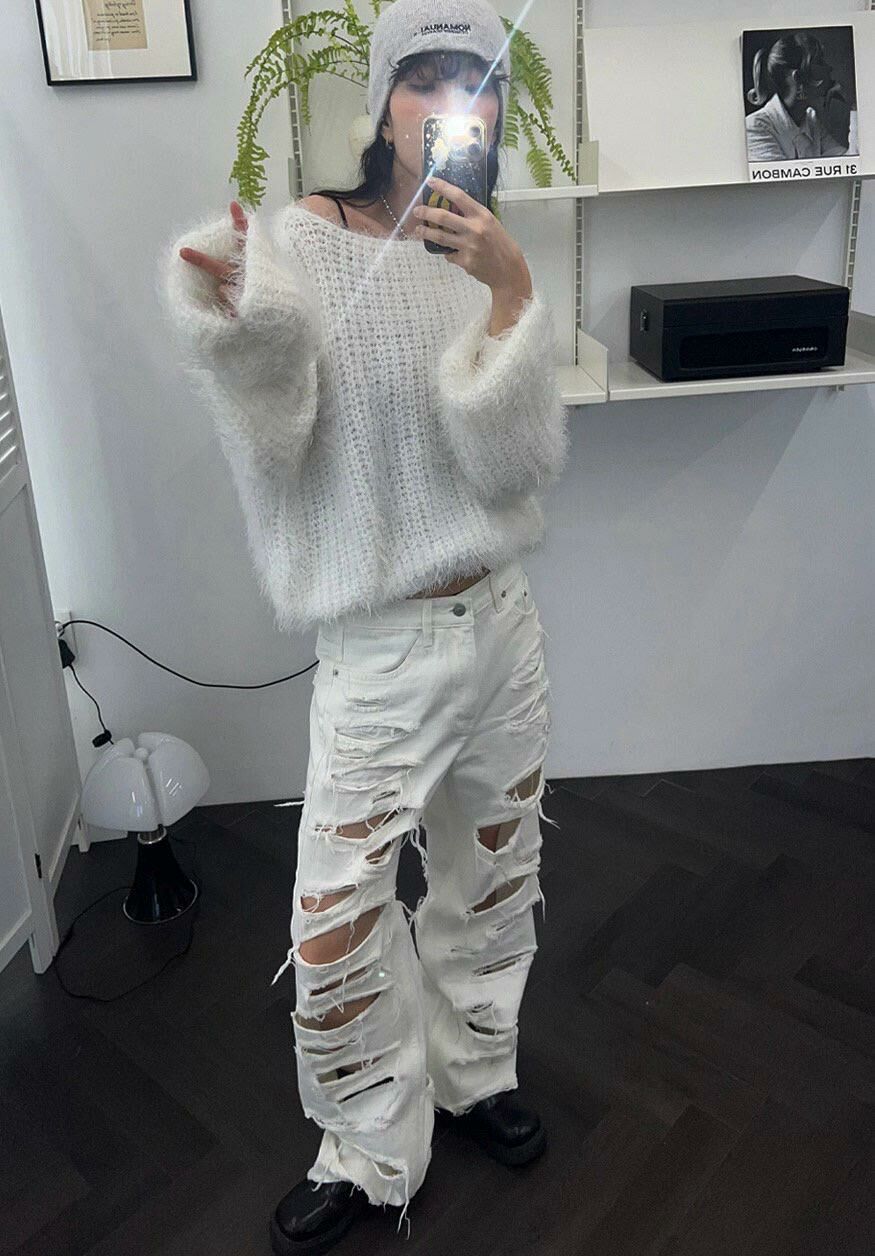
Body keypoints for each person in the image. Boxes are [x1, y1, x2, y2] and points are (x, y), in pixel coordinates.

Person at [160, 0, 569, 1251]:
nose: (449, 103)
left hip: (498, 623)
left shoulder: (482, 258)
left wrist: (510, 295)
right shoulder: (308, 238)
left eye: (472, 82)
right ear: (381, 105)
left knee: (492, 876)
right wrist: (237, 321)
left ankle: (474, 1071)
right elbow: (275, 424)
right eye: (423, 79)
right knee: (335, 920)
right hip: (380, 649)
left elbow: (513, 467)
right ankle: (368, 1144)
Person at [745, 30, 852, 162]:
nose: (829, 68)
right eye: (820, 62)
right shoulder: (755, 127)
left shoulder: (811, 121)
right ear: (799, 78)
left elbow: (850, 165)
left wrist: (854, 104)